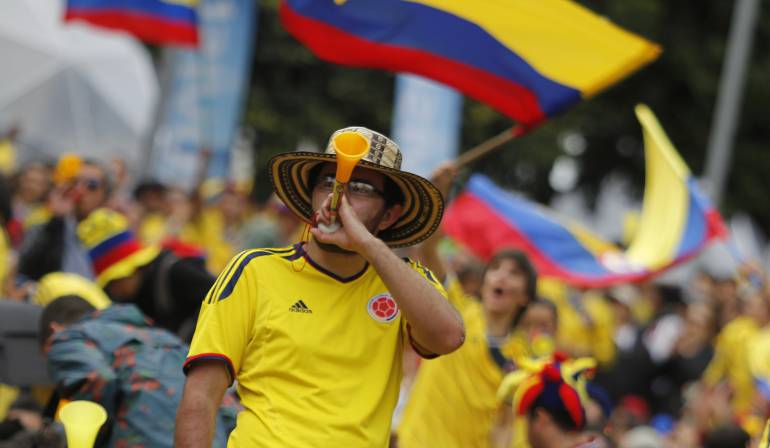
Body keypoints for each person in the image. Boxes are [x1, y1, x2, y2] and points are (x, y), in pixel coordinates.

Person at [175, 126, 465, 447]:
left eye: (359, 187)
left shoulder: (404, 282)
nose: (337, 197)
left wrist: (366, 243)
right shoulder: (254, 270)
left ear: (389, 216)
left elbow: (449, 336)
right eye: (328, 183)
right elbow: (201, 396)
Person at [395, 163, 537, 448]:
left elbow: (509, 427)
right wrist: (439, 194)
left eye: (513, 273)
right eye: (496, 268)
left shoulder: (523, 359)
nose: (501, 276)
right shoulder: (454, 308)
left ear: (524, 296)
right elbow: (429, 248)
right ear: (485, 281)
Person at [40, 295, 238, 448]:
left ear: (55, 329)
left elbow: (97, 381)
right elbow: (227, 408)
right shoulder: (169, 341)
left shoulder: (68, 338)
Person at [76, 208, 214, 341]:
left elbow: (220, 300)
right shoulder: (125, 298)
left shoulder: (177, 272)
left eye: (114, 282)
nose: (113, 290)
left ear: (132, 269)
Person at [17, 157, 111, 281]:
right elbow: (26, 269)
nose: (80, 190)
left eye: (91, 185)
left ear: (105, 195)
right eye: (75, 182)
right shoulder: (47, 226)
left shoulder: (113, 235)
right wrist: (56, 221)